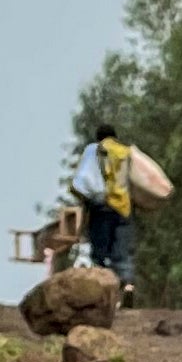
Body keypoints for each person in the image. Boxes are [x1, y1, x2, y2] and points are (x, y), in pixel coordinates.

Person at [74, 126, 137, 300]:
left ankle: (103, 291)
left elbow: (82, 181)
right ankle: (128, 286)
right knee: (123, 252)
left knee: (100, 253)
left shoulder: (93, 150)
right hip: (124, 207)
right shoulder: (125, 152)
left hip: (102, 207)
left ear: (98, 137)